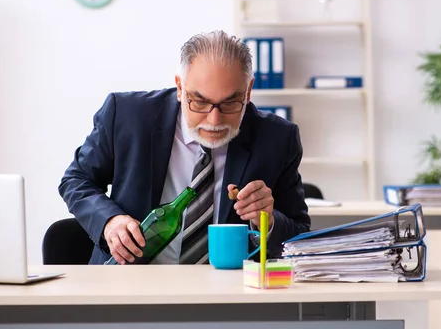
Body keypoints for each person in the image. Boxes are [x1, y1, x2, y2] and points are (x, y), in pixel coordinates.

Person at [58, 30, 311, 265]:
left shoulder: (278, 138)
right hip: (129, 284)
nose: (214, 121)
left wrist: (266, 219)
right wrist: (110, 221)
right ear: (180, 88)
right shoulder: (126, 116)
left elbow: (299, 233)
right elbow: (76, 179)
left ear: (248, 92)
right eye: (199, 102)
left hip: (229, 293)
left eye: (230, 103)